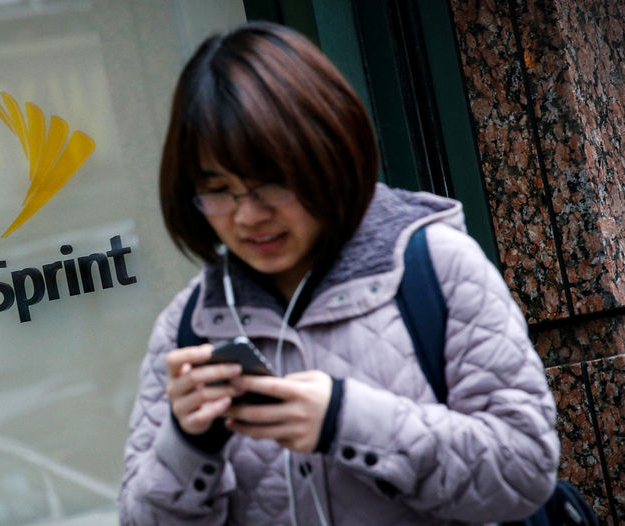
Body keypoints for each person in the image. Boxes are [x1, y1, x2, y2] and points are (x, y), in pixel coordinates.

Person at [119, 21, 560, 526]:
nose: (246, 216)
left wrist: (346, 419)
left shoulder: (437, 268)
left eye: (269, 184)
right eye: (218, 190)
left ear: (327, 154)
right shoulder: (189, 325)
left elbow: (525, 470)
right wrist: (187, 445)